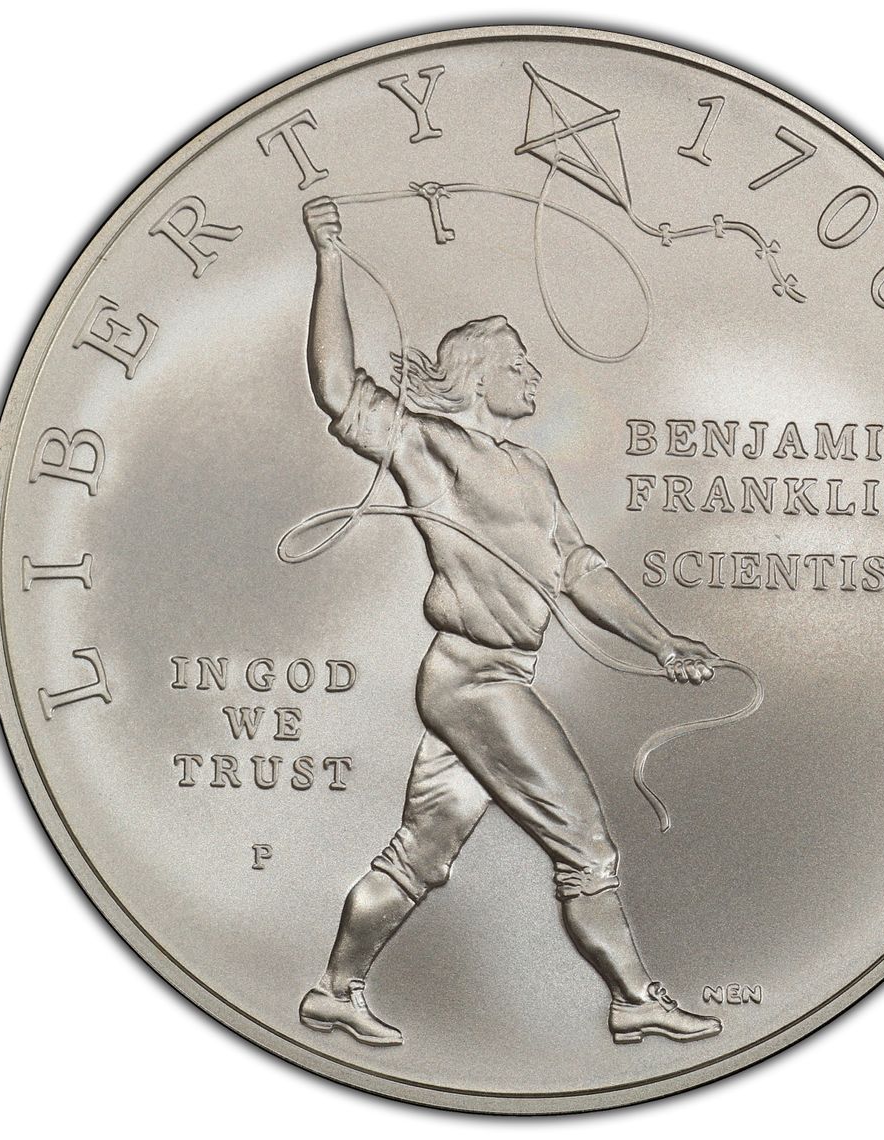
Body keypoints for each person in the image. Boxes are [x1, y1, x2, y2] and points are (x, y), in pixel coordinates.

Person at [297, 195, 722, 1046]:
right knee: (587, 844)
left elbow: (579, 569)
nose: (533, 376)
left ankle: (335, 991)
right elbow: (336, 386)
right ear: (479, 375)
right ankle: (634, 998)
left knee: (420, 854)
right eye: (519, 364)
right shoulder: (430, 445)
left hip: (493, 680)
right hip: (475, 679)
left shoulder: (530, 468)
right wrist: (331, 257)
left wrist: (663, 642)